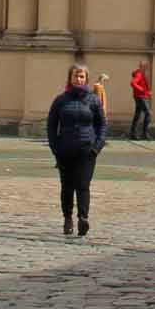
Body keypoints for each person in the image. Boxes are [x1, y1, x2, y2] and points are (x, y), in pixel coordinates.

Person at [46, 63, 107, 237]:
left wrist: (97, 146)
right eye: (75, 76)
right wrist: (55, 148)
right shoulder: (60, 100)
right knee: (67, 186)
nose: (78, 79)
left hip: (87, 150)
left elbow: (102, 125)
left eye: (81, 76)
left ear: (86, 79)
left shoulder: (93, 100)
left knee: (83, 185)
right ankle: (67, 219)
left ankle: (83, 218)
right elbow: (51, 126)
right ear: (70, 79)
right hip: (65, 149)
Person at [128, 61, 152, 141]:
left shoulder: (141, 73)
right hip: (140, 97)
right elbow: (132, 83)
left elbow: (141, 85)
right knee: (148, 113)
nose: (147, 68)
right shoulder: (139, 74)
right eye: (145, 66)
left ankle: (133, 134)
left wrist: (147, 92)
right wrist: (143, 90)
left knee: (137, 115)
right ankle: (144, 133)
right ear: (142, 66)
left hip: (140, 96)